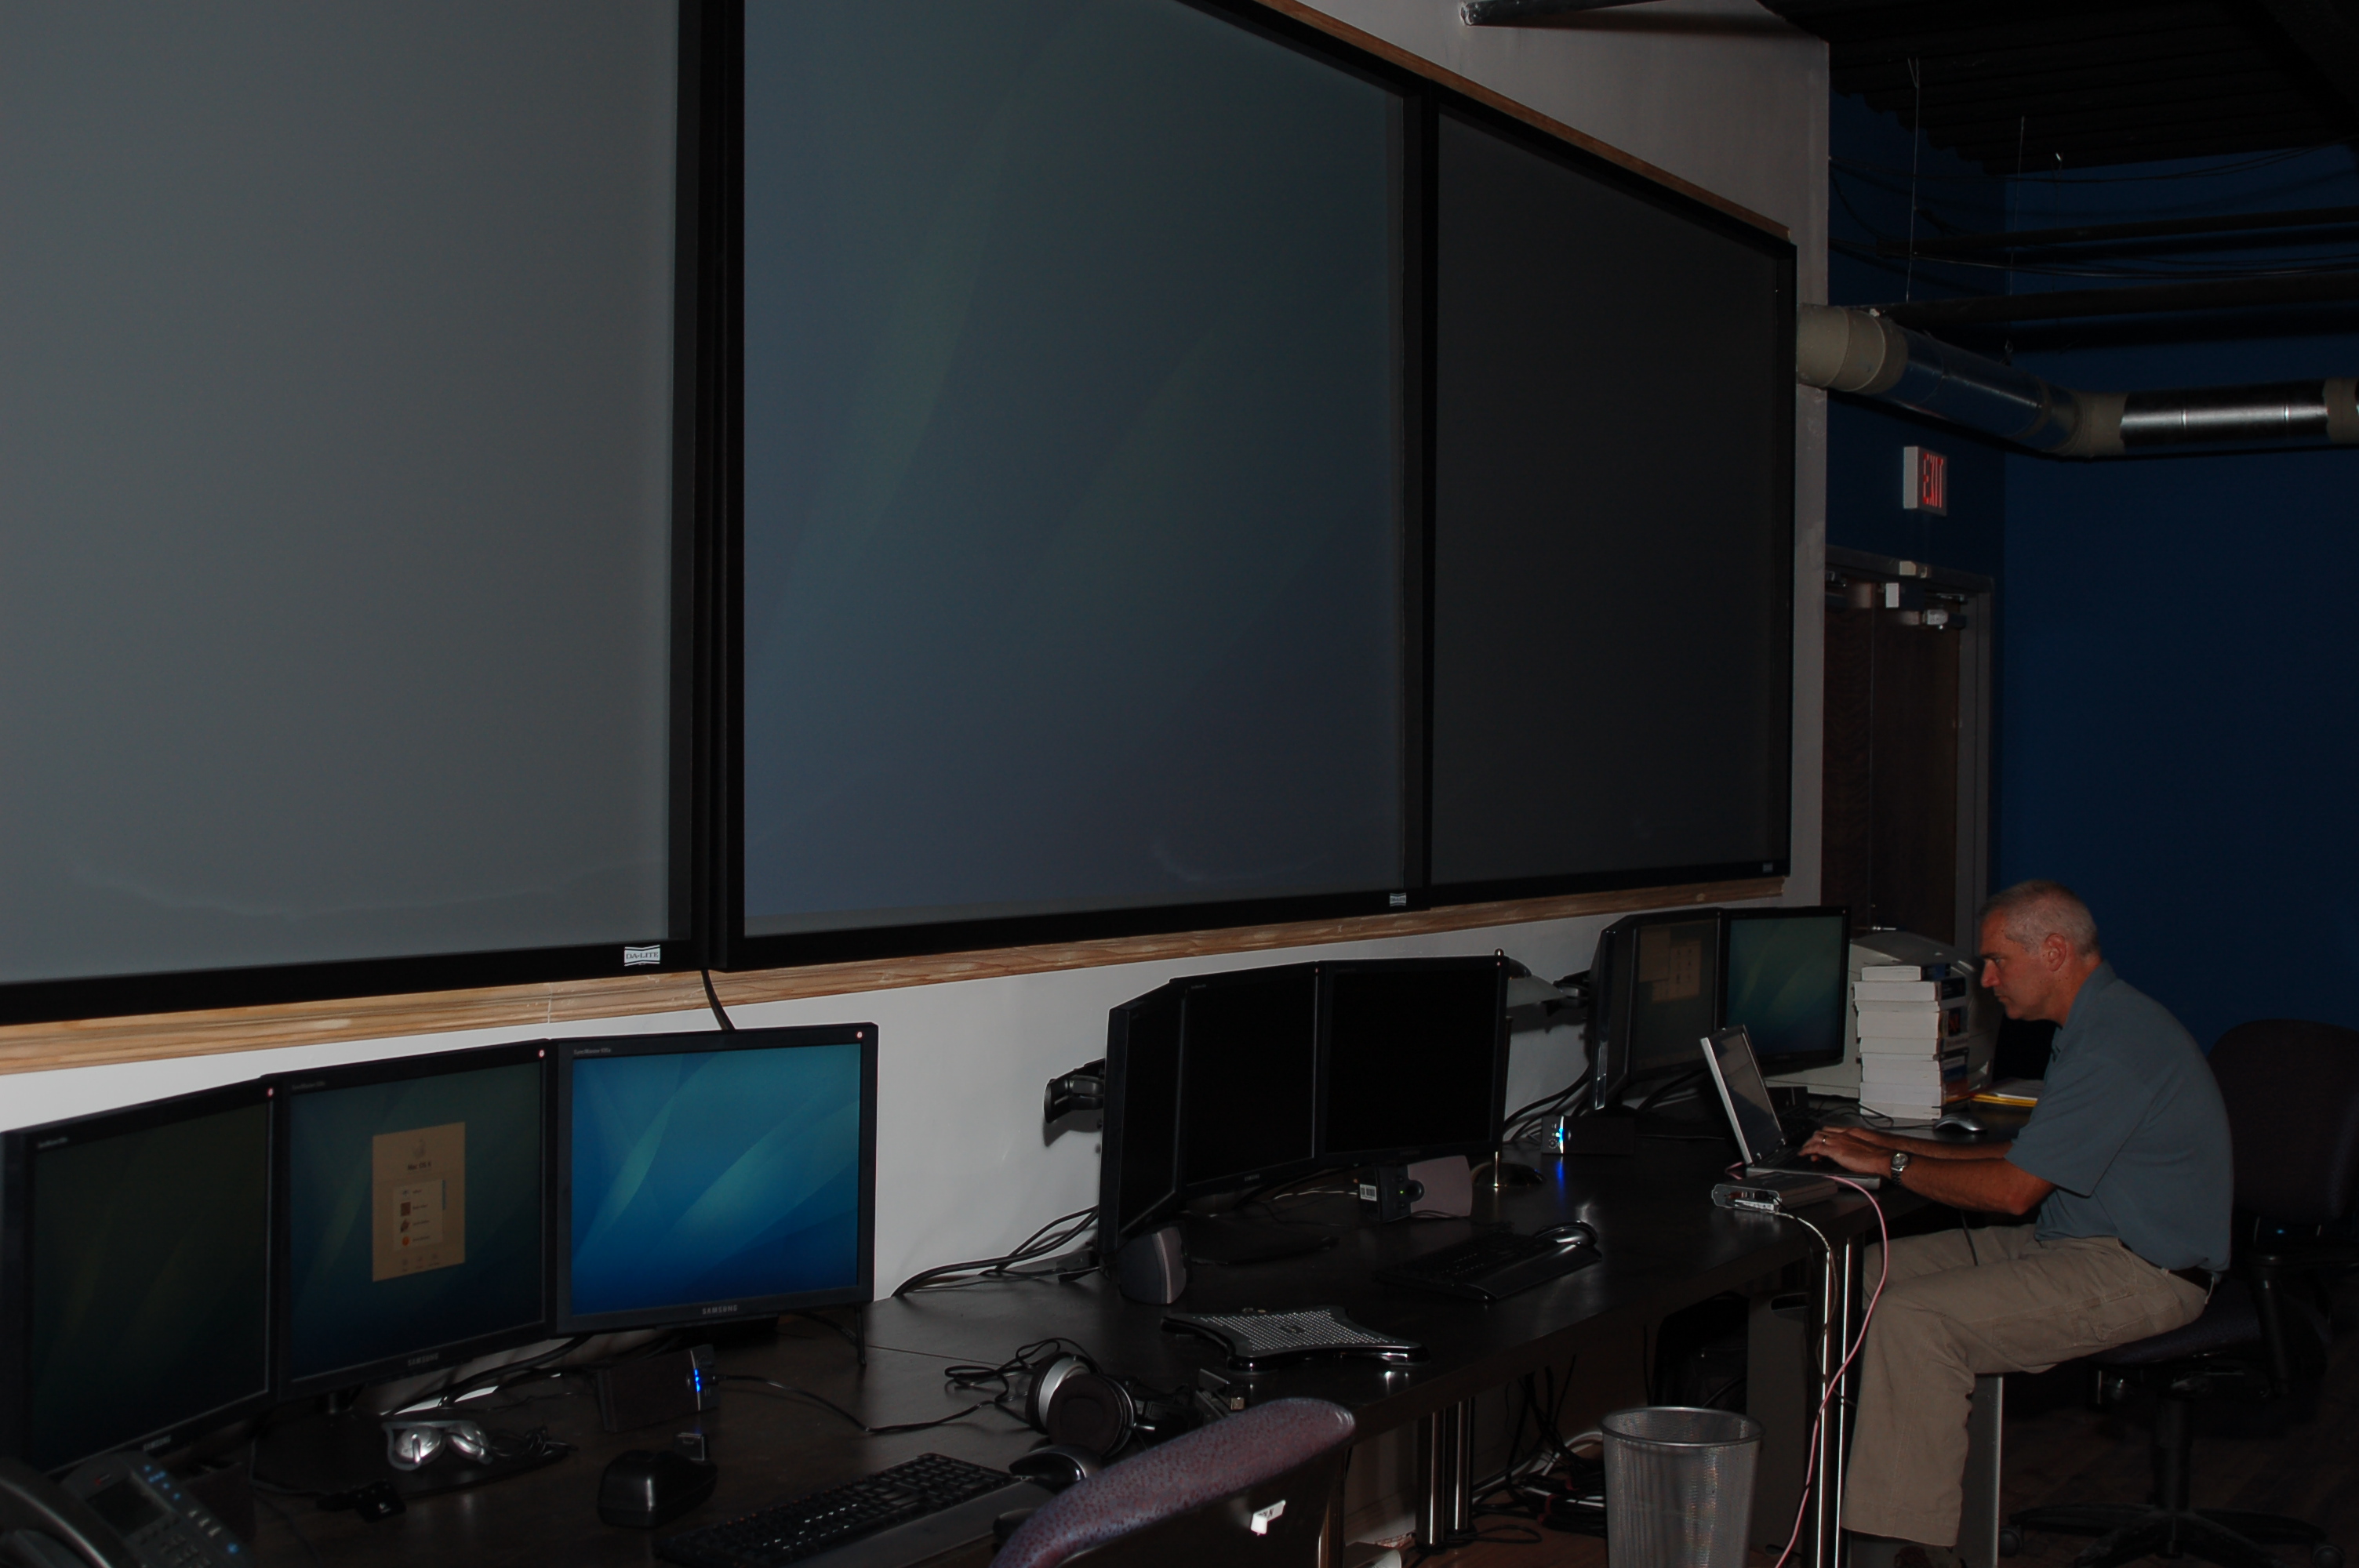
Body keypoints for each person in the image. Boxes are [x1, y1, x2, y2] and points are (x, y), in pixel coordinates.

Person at [1798, 880, 2231, 1568]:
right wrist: (1882, 1146)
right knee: (1857, 1275)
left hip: (2146, 1272)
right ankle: (1821, 1501)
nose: (1988, 979)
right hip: (2077, 1242)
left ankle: (1902, 1547)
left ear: (2054, 952)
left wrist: (1894, 1164)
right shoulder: (2098, 1023)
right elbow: (2027, 1156)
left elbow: (2011, 1193)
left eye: (1998, 961)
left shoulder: (2116, 1044)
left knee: (1915, 1321)